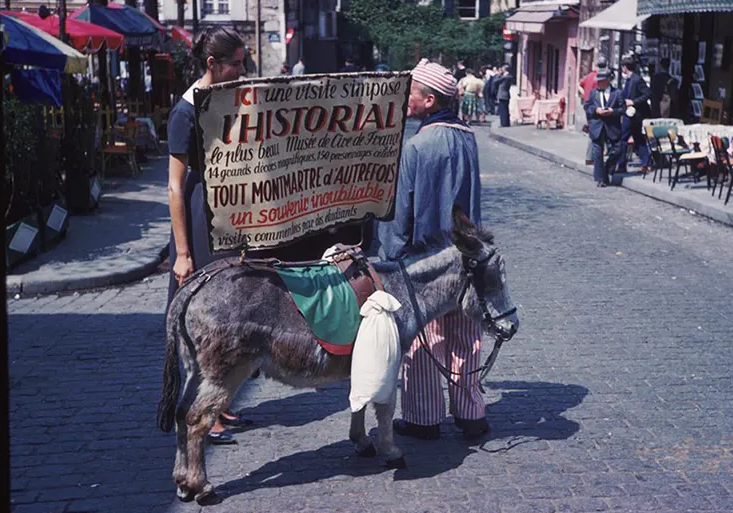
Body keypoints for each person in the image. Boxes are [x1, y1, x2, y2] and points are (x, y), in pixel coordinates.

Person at [377, 58, 487, 441]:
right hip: (465, 255)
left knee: (426, 340)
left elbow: (400, 210)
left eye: (412, 93)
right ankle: (471, 412)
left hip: (426, 262)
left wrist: (391, 258)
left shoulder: (418, 145)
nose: (407, 99)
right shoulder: (468, 137)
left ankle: (424, 418)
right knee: (466, 333)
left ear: (429, 100)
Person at [167, 26, 253, 445]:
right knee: (206, 319)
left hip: (225, 215)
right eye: (235, 63)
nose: (241, 69)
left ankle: (221, 399)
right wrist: (183, 252)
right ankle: (204, 408)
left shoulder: (221, 98)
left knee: (230, 310)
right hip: (201, 218)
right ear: (212, 64)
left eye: (242, 61)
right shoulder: (184, 111)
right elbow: (174, 188)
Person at [584, 68, 625, 188]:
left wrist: (613, 111)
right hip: (597, 126)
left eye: (601, 81)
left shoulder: (617, 93)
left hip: (612, 126)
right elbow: (587, 107)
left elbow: (622, 110)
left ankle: (607, 168)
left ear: (607, 81)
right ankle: (601, 179)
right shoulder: (593, 93)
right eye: (598, 81)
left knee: (618, 150)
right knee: (597, 153)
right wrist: (596, 110)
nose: (598, 83)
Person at [616, 55, 651, 174]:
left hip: (634, 114)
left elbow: (647, 94)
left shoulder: (637, 79)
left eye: (622, 67)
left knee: (624, 138)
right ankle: (646, 163)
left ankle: (622, 164)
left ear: (625, 67)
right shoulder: (629, 80)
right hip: (630, 113)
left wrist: (633, 102)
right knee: (638, 138)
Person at [578, 56, 608, 165]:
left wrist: (583, 95)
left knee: (594, 130)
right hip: (595, 107)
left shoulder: (589, 75)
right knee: (595, 132)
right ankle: (590, 157)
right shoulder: (599, 77)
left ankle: (595, 154)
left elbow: (580, 85)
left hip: (588, 105)